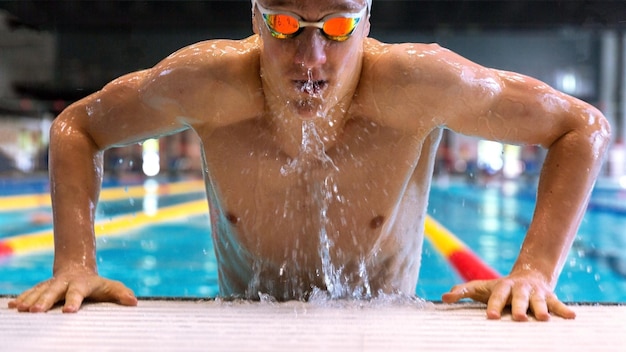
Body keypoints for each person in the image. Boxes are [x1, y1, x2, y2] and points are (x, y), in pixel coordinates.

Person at [9, 0, 610, 322]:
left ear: (368, 21)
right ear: (255, 19)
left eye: (339, 26)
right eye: (286, 25)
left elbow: (581, 128)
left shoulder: (419, 87)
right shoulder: (205, 85)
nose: (311, 56)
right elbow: (77, 127)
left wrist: (533, 270)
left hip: (383, 334)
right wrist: (75, 262)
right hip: (239, 332)